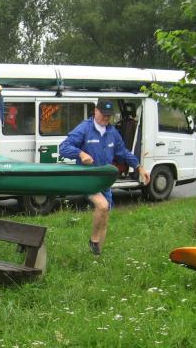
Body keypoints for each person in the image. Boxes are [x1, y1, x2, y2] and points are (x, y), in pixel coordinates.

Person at [59, 99, 150, 256]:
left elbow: (123, 152)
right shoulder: (85, 128)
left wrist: (139, 167)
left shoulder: (112, 132)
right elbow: (63, 147)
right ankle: (93, 240)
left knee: (105, 216)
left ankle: (97, 256)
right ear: (96, 111)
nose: (106, 118)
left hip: (104, 180)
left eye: (109, 115)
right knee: (102, 205)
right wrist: (80, 153)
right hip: (87, 178)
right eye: (103, 114)